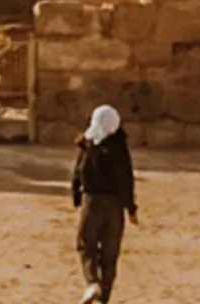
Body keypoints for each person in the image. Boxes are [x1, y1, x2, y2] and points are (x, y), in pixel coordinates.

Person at [73, 104, 138, 303]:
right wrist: (131, 209)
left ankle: (92, 282)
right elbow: (125, 179)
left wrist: (76, 196)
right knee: (110, 254)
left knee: (86, 244)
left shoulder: (89, 144)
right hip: (115, 207)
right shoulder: (119, 146)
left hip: (92, 202)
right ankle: (104, 297)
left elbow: (79, 171)